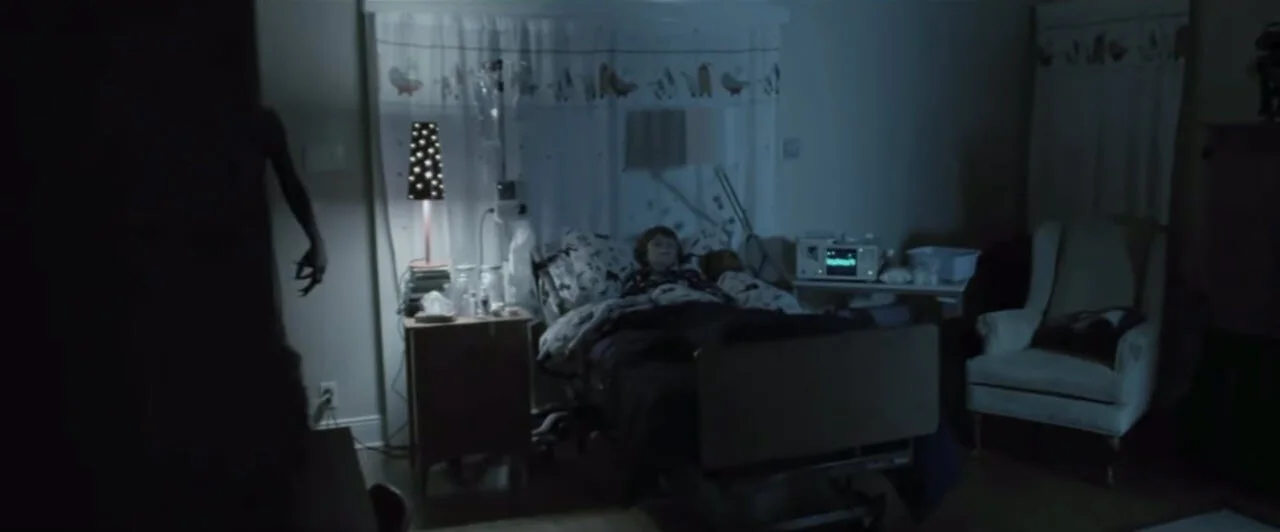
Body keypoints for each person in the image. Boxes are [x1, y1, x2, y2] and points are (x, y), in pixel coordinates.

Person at [620, 225, 734, 304]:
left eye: (670, 245)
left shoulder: (689, 275)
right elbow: (625, 303)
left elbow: (718, 296)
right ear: (644, 253)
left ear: (677, 254)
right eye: (657, 245)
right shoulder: (637, 277)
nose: (664, 249)